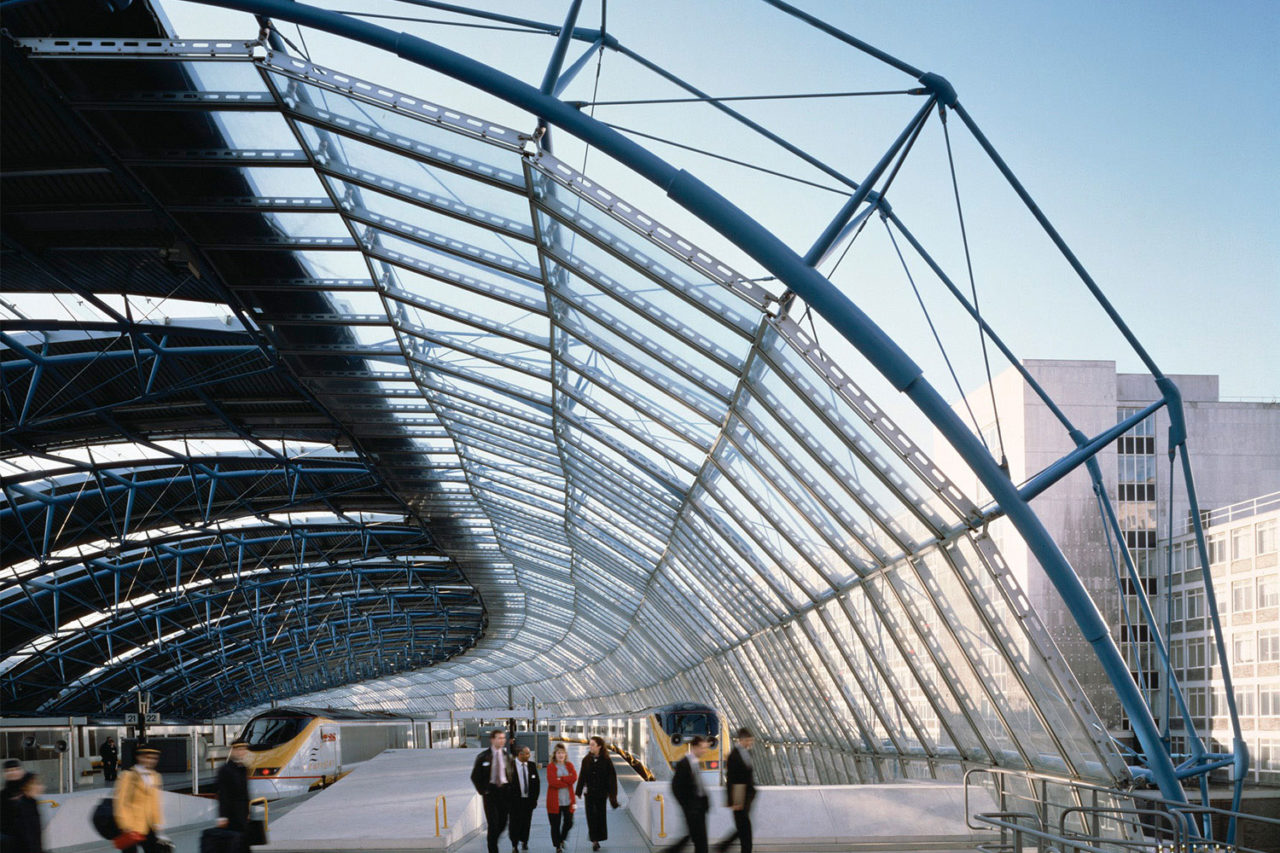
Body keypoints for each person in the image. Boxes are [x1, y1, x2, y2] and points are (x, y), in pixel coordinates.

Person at [661, 735, 710, 853]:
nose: (704, 751)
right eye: (702, 748)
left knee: (697, 838)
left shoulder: (695, 762)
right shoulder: (684, 763)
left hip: (699, 808)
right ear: (694, 747)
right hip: (692, 808)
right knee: (698, 839)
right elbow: (676, 787)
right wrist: (687, 805)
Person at [470, 729, 516, 853]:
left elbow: (513, 776)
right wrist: (483, 791)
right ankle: (493, 849)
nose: (502, 740)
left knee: (503, 823)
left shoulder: (508, 757)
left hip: (505, 793)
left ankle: (492, 841)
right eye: (499, 738)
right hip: (490, 793)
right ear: (492, 739)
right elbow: (475, 776)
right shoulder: (483, 757)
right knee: (493, 824)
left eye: (503, 738)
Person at [113, 745, 164, 853]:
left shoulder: (155, 776)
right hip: (130, 826)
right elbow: (121, 802)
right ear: (139, 758)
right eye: (148, 757)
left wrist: (157, 822)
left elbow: (155, 801)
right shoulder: (127, 776)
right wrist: (125, 825)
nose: (151, 761)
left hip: (149, 826)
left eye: (154, 758)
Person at [714, 729, 756, 853]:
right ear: (741, 740)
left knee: (742, 827)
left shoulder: (747, 754)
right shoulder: (734, 756)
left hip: (747, 796)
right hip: (739, 796)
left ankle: (723, 846)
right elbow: (732, 780)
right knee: (744, 827)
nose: (750, 743)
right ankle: (729, 847)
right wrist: (735, 800)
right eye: (748, 740)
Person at [574, 736, 618, 852]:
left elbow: (612, 779)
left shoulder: (606, 761)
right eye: (590, 744)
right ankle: (594, 841)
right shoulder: (586, 759)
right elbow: (582, 776)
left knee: (600, 817)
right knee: (591, 817)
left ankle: (598, 838)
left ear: (599, 746)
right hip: (589, 794)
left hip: (601, 794)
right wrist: (578, 791)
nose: (590, 746)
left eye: (593, 744)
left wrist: (612, 795)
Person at [216, 741, 251, 851]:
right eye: (239, 750)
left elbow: (246, 792)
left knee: (243, 846)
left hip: (243, 816)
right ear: (233, 751)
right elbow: (223, 794)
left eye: (244, 749)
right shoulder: (225, 770)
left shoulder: (244, 769)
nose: (242, 752)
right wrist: (222, 816)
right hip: (231, 817)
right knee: (232, 846)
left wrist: (248, 811)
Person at [545, 743, 576, 853]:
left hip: (568, 801)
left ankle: (562, 838)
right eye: (558, 753)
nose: (560, 755)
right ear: (555, 754)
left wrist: (561, 778)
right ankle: (557, 846)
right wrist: (567, 781)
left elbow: (574, 777)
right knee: (555, 825)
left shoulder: (570, 765)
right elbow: (552, 782)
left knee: (569, 822)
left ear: (565, 754)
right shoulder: (551, 766)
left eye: (562, 753)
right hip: (554, 802)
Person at [507, 746, 539, 853]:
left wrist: (534, 800)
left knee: (526, 822)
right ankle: (514, 844)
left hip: (528, 801)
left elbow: (536, 784)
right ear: (520, 754)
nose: (529, 756)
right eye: (527, 754)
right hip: (514, 802)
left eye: (529, 753)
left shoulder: (532, 766)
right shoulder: (510, 766)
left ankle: (525, 841)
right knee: (514, 823)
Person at [9, 773, 44, 853]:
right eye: (36, 784)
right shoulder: (23, 807)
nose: (40, 787)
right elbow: (27, 838)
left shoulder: (32, 803)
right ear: (27, 787)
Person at [2, 759, 26, 851]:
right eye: (9, 770)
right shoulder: (3, 795)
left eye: (16, 769)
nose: (13, 772)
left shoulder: (28, 792)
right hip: (10, 842)